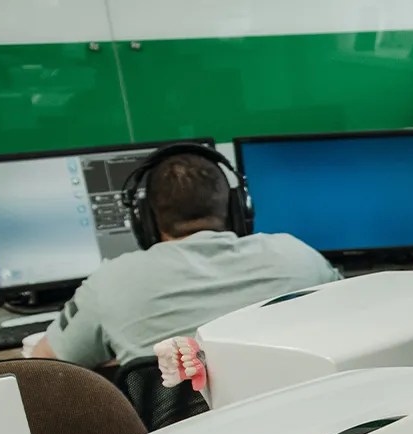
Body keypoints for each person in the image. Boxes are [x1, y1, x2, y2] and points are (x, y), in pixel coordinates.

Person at [34, 150, 338, 367]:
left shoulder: (110, 282)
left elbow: (44, 366)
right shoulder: (298, 255)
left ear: (146, 223)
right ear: (238, 211)